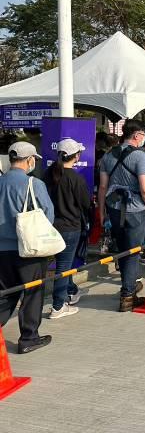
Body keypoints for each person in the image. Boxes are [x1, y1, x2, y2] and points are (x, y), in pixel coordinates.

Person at [0, 142, 55, 353]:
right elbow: (47, 215)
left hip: (2, 249)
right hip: (29, 249)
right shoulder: (34, 184)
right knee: (32, 292)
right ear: (30, 159)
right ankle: (28, 338)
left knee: (6, 293)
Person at [98, 119, 145, 311]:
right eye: (144, 136)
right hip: (136, 207)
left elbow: (103, 186)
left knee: (122, 250)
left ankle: (129, 287)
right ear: (137, 135)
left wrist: (101, 211)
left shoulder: (108, 155)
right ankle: (127, 295)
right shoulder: (140, 156)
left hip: (114, 206)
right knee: (133, 252)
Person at [43, 138, 92, 319]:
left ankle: (71, 291)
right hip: (71, 227)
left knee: (65, 263)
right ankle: (58, 306)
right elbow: (86, 204)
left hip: (50, 226)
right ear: (76, 156)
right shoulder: (75, 178)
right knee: (64, 266)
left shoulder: (48, 174)